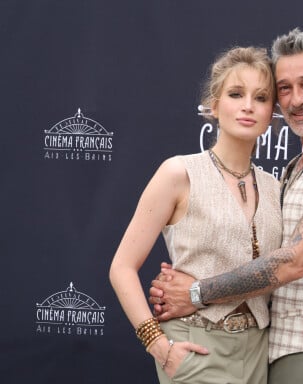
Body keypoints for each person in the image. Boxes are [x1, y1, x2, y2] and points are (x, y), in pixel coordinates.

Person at [150, 28, 303, 384]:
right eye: (285, 88)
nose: (296, 100)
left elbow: (293, 261)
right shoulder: (295, 168)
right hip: (272, 354)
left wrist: (196, 292)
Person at [109, 46, 283, 384]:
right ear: (215, 105)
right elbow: (121, 267)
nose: (248, 105)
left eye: (261, 98)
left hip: (260, 354)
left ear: (271, 113)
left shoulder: (275, 187)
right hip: (197, 349)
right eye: (236, 94)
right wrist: (157, 344)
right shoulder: (179, 173)